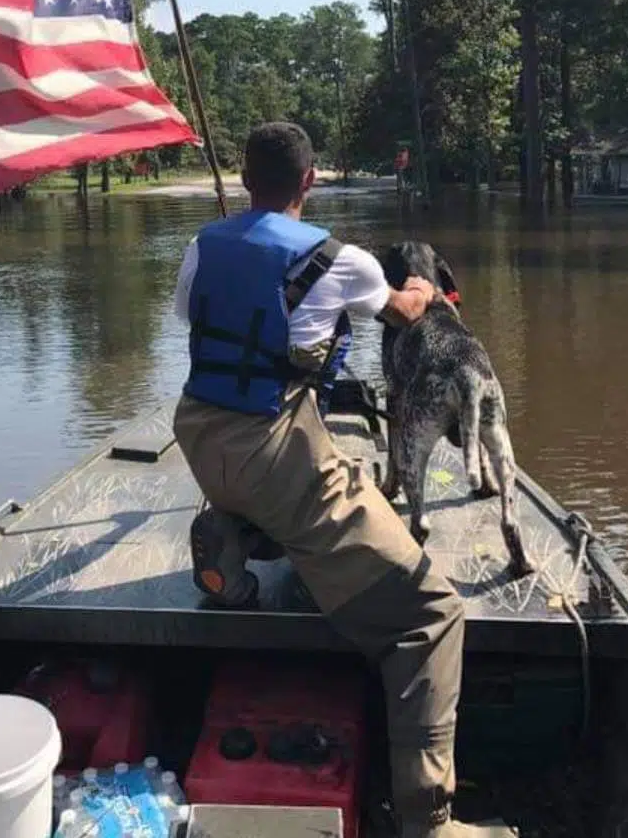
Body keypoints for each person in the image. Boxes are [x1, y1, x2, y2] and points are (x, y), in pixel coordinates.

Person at [172, 122, 510, 838]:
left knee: (284, 486)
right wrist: (419, 290)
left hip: (201, 438)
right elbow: (403, 310)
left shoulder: (203, 245)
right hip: (274, 453)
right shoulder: (338, 257)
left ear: (241, 179)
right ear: (310, 181)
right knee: (431, 616)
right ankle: (431, 821)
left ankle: (228, 544)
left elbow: (193, 317)